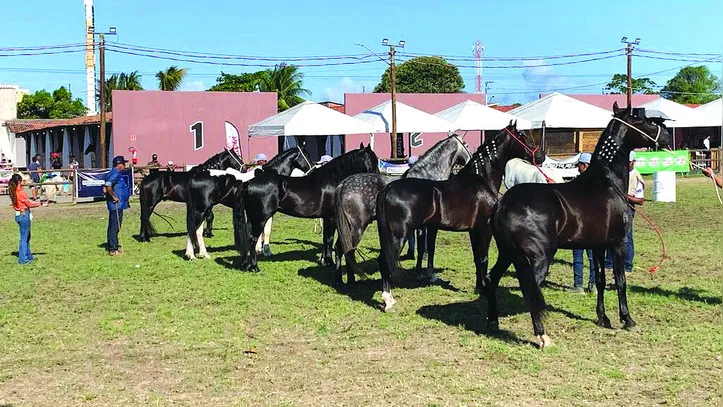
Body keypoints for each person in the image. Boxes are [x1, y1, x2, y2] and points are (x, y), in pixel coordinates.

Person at [606, 151, 644, 273]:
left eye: (628, 162)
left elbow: (640, 200)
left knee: (627, 236)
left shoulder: (636, 177)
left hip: (628, 208)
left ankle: (628, 264)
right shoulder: (617, 173)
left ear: (633, 162)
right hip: (614, 206)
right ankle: (610, 261)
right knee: (610, 234)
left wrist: (624, 197)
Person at [570, 153, 595, 293]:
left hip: (578, 226)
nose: (578, 168)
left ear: (584, 165)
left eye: (579, 165)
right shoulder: (598, 183)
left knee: (578, 255)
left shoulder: (577, 182)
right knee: (593, 257)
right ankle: (594, 285)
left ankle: (578, 285)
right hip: (593, 226)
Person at [8, 173, 44, 264]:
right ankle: (23, 259)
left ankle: (28, 256)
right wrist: (40, 204)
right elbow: (29, 205)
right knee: (24, 238)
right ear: (20, 181)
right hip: (24, 215)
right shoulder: (21, 192)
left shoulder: (14, 191)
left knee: (26, 236)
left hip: (19, 215)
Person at [105, 155, 130, 255]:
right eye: (123, 164)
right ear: (119, 164)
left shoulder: (115, 173)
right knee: (115, 226)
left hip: (118, 205)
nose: (124, 166)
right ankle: (113, 249)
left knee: (113, 225)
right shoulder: (115, 173)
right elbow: (108, 186)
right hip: (116, 205)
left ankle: (111, 245)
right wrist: (114, 197)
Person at [400, 156, 421, 261]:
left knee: (410, 232)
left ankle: (411, 251)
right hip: (421, 206)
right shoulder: (422, 173)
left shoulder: (407, 174)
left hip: (411, 206)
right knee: (422, 232)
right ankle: (423, 252)